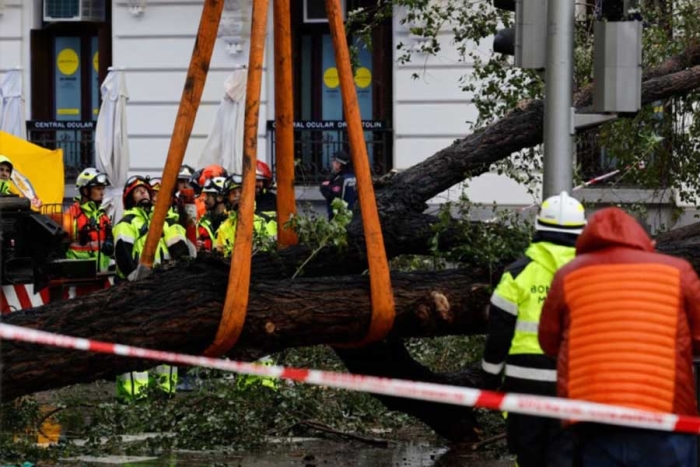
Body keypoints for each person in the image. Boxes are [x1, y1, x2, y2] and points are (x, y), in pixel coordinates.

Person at [539, 207, 700, 467]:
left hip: (592, 420)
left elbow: (548, 342)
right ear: (648, 243)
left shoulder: (568, 275)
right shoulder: (678, 271)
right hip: (664, 418)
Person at [479, 191, 586, 467]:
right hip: (573, 381)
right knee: (565, 455)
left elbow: (499, 331)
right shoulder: (589, 276)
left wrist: (489, 379)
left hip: (524, 384)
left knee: (528, 456)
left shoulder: (517, 273)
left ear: (538, 228)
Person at [113, 176, 190, 282]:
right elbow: (123, 256)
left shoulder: (160, 221)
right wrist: (136, 281)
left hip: (162, 282)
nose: (143, 193)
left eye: (145, 190)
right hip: (134, 285)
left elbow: (180, 251)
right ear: (130, 199)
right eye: (138, 191)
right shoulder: (126, 223)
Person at [64, 168, 114, 272]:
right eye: (98, 189)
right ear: (85, 190)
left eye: (103, 189)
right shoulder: (71, 215)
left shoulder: (102, 214)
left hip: (102, 273)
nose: (102, 193)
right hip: (79, 275)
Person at [320, 150, 357, 220]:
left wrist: (324, 187)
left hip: (340, 218)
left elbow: (333, 197)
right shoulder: (352, 176)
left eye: (333, 161)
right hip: (351, 215)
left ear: (338, 164)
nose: (332, 163)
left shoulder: (341, 179)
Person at [197, 176, 230, 252]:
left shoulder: (232, 221)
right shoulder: (203, 222)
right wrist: (198, 245)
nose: (204, 199)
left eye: (208, 196)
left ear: (220, 197)